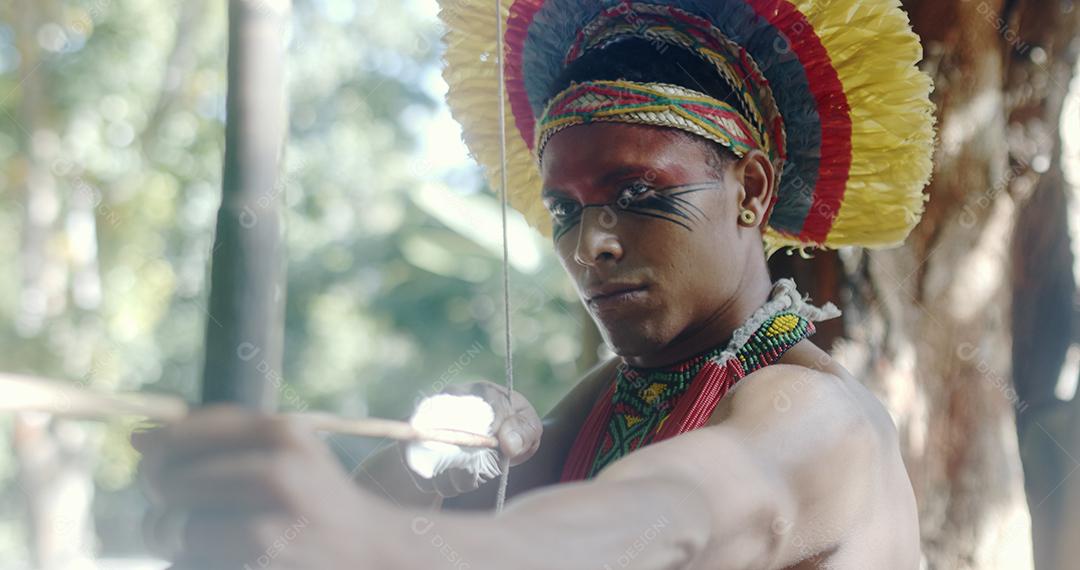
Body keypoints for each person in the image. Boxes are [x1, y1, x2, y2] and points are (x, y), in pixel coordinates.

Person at [135, 1, 936, 568]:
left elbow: (659, 518)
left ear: (753, 191)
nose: (592, 245)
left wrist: (359, 542)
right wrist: (419, 463)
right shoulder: (616, 399)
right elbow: (453, 529)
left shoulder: (817, 418)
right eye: (565, 208)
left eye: (640, 194)